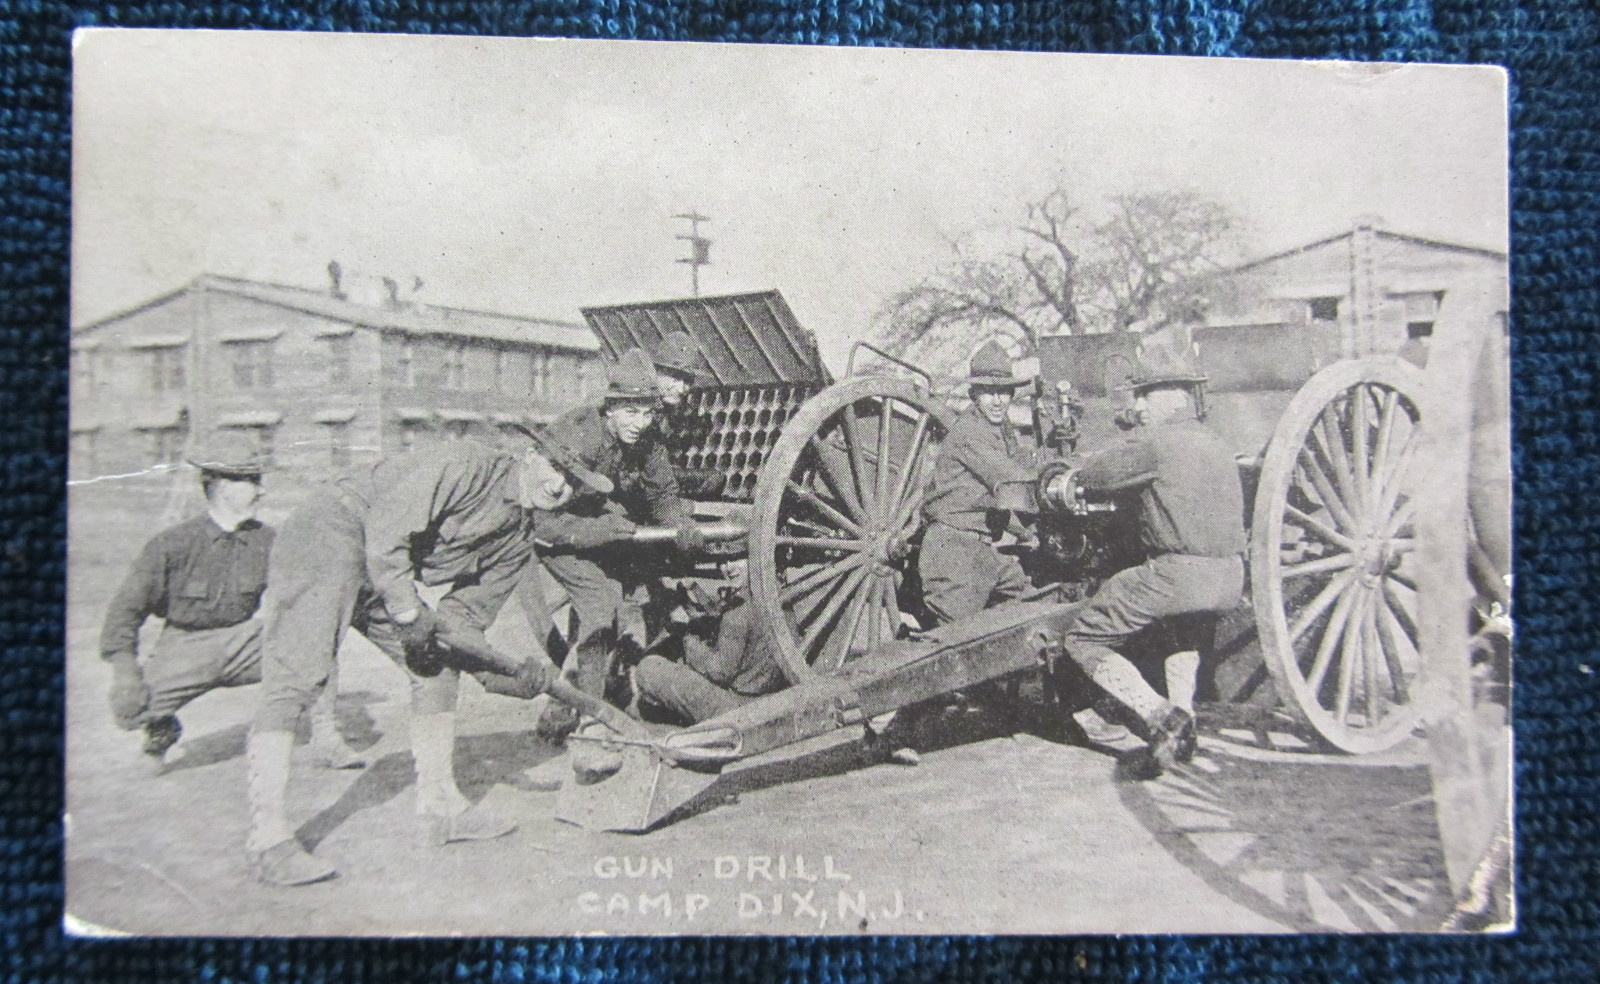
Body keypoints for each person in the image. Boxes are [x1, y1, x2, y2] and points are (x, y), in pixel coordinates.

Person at [243, 431, 614, 887]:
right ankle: (267, 838)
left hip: (383, 574)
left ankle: (440, 808)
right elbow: (385, 532)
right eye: (557, 469)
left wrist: (510, 678)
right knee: (297, 674)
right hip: (333, 530)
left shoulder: (518, 542)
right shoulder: (462, 462)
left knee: (437, 669)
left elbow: (462, 626)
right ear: (532, 454)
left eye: (574, 483)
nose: (560, 487)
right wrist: (406, 612)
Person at [1051, 326, 1247, 778]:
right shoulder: (1215, 442)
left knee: (1083, 638)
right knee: (1181, 634)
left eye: (1144, 395)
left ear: (1171, 396)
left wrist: (1069, 477)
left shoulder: (1156, 442)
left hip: (1178, 575)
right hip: (1230, 577)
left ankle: (1160, 716)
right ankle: (1185, 725)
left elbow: (1097, 477)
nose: (1137, 405)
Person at [99, 433, 356, 770]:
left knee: (314, 646)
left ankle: (327, 739)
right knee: (129, 711)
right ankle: (159, 730)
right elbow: (125, 611)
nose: (261, 491)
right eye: (253, 482)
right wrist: (125, 673)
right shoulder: (172, 544)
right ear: (223, 486)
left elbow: (303, 593)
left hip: (245, 641)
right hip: (186, 645)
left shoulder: (269, 541)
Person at [533, 349, 704, 742]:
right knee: (600, 606)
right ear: (609, 409)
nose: (639, 424)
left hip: (601, 532)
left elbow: (662, 493)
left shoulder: (647, 439)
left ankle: (575, 709)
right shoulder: (580, 436)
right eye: (630, 413)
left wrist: (680, 526)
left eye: (646, 413)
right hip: (558, 534)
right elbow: (544, 519)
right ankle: (586, 717)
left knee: (604, 611)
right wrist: (602, 531)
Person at [917, 340, 1037, 626]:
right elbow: (1011, 480)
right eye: (989, 392)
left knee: (1035, 601)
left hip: (981, 553)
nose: (998, 401)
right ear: (974, 395)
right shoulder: (970, 434)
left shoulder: (997, 432)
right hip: (954, 554)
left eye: (1004, 392)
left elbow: (993, 501)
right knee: (953, 645)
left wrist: (1027, 534)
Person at [631, 557, 788, 725]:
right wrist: (693, 594)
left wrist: (686, 638)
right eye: (722, 561)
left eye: (736, 559)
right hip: (771, 699)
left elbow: (719, 672)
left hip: (736, 708)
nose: (728, 568)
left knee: (648, 667)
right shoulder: (782, 597)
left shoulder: (736, 614)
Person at [648, 330, 726, 500]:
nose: (682, 388)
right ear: (656, 372)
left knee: (715, 479)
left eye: (687, 381)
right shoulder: (642, 406)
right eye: (675, 378)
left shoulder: (669, 408)